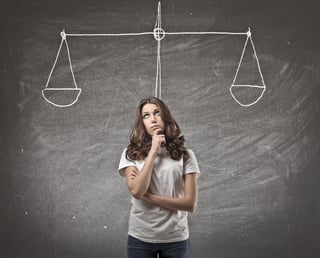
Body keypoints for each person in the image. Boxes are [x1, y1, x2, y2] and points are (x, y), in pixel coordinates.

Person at [118, 97, 200, 258]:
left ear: (166, 117)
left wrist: (148, 196)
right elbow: (136, 191)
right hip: (140, 237)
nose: (153, 119)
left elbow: (190, 204)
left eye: (157, 113)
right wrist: (154, 151)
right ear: (141, 122)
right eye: (146, 115)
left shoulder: (186, 155)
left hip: (176, 238)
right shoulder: (131, 153)